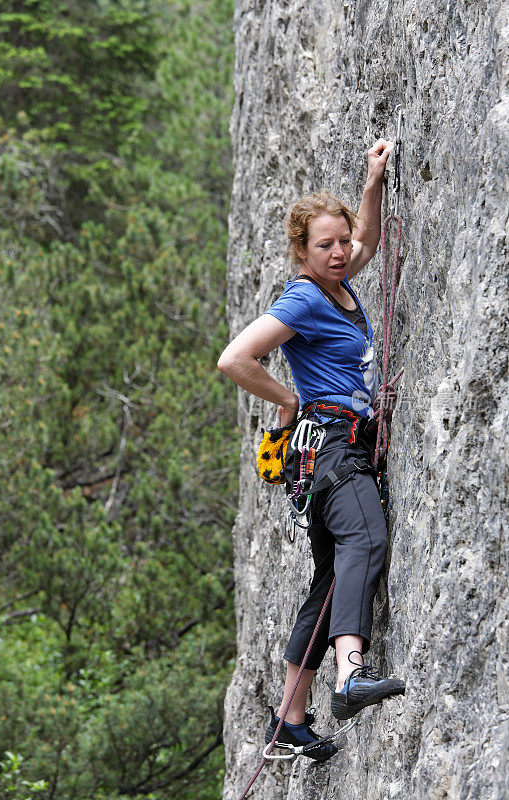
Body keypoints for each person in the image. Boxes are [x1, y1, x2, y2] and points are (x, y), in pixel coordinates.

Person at [217, 140, 405, 762]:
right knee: (368, 540)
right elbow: (235, 359)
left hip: (331, 456)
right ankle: (350, 674)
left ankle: (289, 721)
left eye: (340, 241)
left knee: (329, 580)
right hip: (332, 450)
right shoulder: (303, 297)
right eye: (322, 245)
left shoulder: (342, 282)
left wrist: (371, 186)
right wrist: (289, 399)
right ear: (301, 251)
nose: (337, 252)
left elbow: (370, 245)